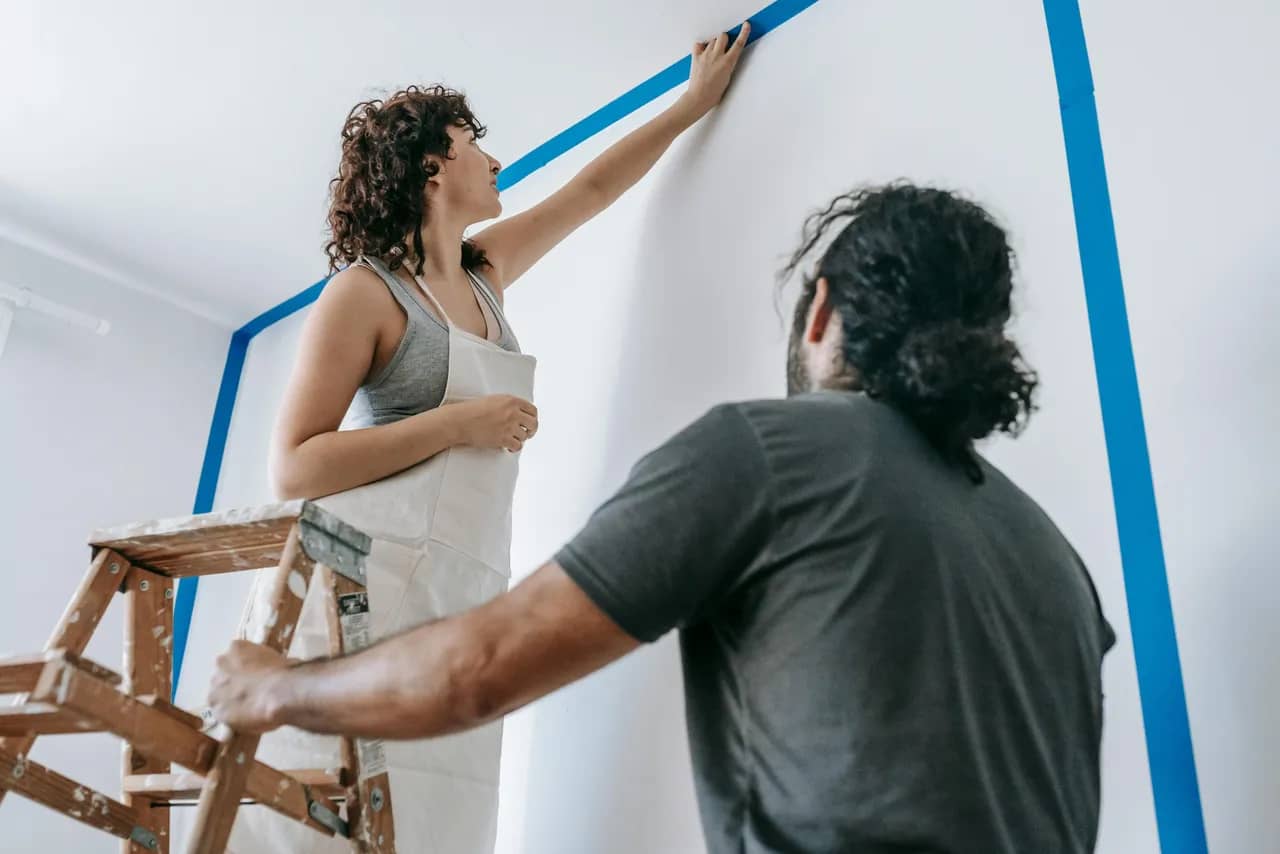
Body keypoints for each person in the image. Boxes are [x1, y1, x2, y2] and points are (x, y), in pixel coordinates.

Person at [212, 183, 1116, 854]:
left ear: (824, 310)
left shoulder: (768, 451)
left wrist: (275, 688)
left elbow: (476, 672)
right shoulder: (1056, 561)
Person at [226, 22, 752, 853]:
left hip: (458, 591)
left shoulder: (484, 271)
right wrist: (459, 422)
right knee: (314, 812)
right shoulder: (364, 295)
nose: (495, 160)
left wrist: (691, 107)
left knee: (438, 812)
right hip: (357, 590)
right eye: (477, 143)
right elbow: (296, 464)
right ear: (432, 167)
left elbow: (588, 193)